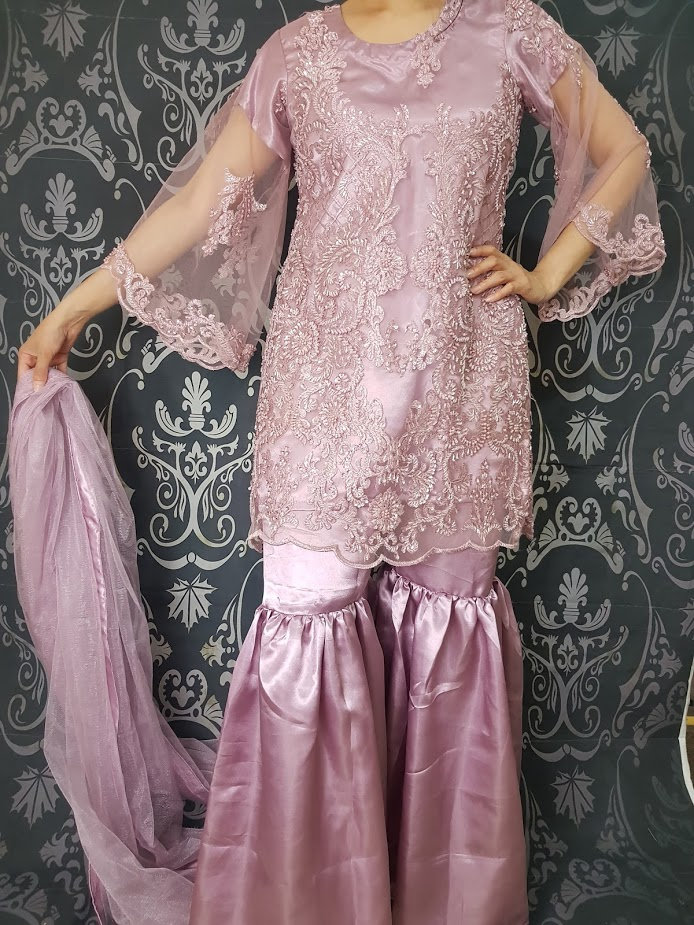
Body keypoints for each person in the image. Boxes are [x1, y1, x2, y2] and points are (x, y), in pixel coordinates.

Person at [15, 0, 666, 923]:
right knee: (307, 627)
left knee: (450, 636)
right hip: (324, 397)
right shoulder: (299, 54)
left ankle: (447, 902)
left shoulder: (509, 30)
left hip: (461, 396)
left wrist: (547, 270)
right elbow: (200, 204)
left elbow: (624, 147)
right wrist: (74, 306)